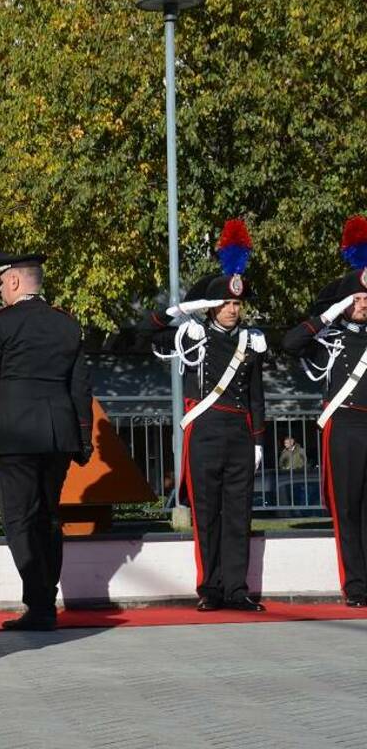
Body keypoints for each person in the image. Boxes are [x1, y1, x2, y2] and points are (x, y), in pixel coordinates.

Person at [138, 219, 266, 612]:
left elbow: (257, 394)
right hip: (206, 430)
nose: (232, 310)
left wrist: (260, 438)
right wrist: (181, 310)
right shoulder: (193, 334)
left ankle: (236, 588)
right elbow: (147, 332)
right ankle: (210, 588)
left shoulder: (251, 339)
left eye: (236, 304)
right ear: (211, 307)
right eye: (226, 303)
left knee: (238, 513)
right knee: (207, 511)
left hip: (240, 432)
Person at [0, 252, 93, 632]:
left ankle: (38, 603)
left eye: (2, 282)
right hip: (57, 437)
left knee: (19, 519)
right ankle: (44, 599)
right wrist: (83, 438)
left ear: (15, 281)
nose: (0, 289)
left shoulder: (0, 323)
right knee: (48, 518)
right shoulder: (67, 324)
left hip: (15, 436)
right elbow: (80, 387)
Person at [282, 214, 367, 608]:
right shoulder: (329, 338)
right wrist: (330, 314)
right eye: (358, 299)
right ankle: (356, 585)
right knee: (347, 506)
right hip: (346, 422)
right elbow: (291, 343)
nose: (364, 304)